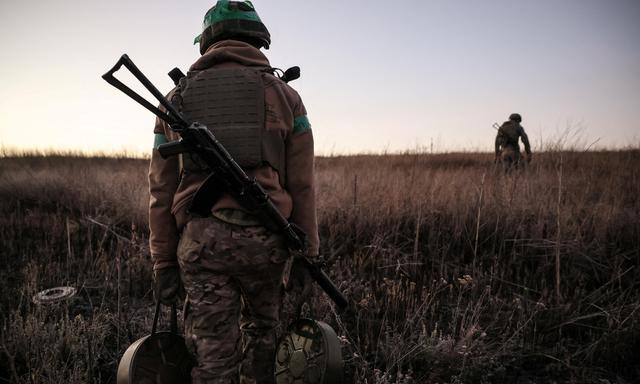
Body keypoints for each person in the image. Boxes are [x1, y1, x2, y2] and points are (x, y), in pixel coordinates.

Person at [148, 1, 319, 382]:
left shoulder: (174, 101)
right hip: (267, 240)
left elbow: (161, 191)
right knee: (263, 338)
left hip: (200, 245)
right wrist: (307, 254)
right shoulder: (287, 98)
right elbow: (303, 186)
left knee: (213, 357)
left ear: (207, 42)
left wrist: (162, 262)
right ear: (258, 39)